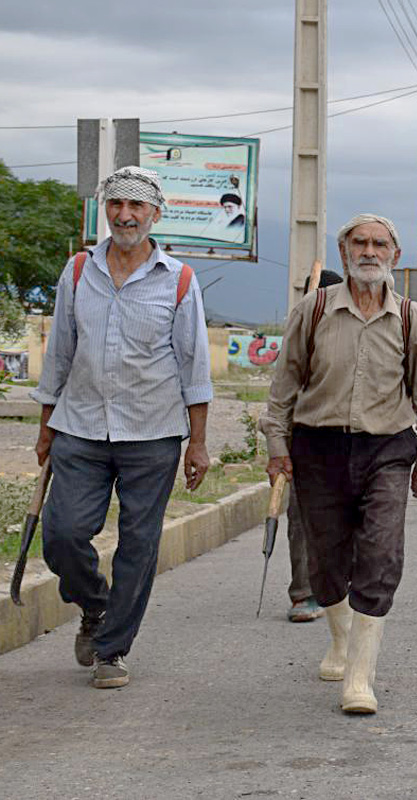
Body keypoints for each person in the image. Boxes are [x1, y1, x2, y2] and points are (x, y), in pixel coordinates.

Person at [32, 165, 212, 689]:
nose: (125, 215)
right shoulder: (76, 271)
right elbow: (60, 354)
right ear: (105, 210)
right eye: (116, 205)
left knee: (139, 544)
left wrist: (197, 443)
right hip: (80, 427)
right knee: (62, 535)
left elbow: (193, 366)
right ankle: (95, 605)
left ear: (155, 214)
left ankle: (112, 650)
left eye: (137, 207)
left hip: (153, 434)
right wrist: (45, 429)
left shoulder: (177, 278)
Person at [260, 213, 417, 715]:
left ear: (395, 256)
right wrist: (277, 447)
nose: (369, 251)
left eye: (379, 244)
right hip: (317, 448)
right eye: (359, 243)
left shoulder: (412, 318)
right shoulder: (313, 309)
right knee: (325, 562)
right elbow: (284, 387)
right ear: (343, 254)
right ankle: (341, 643)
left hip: (386, 449)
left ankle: (360, 677)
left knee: (381, 554)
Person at [283, 269, 347, 624]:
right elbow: (281, 393)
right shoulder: (300, 332)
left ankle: (339, 587)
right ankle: (304, 592)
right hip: (305, 442)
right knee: (301, 519)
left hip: (354, 443)